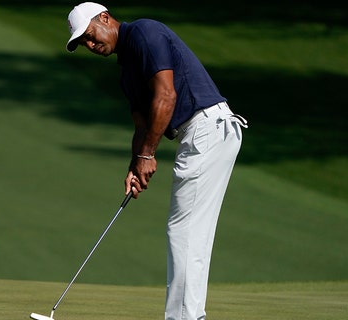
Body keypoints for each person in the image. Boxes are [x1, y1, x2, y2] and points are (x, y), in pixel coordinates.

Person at [65, 2, 247, 320]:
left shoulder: (144, 33)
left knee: (184, 230)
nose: (91, 46)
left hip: (206, 126)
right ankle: (190, 315)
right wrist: (136, 165)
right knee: (192, 231)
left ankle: (184, 317)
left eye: (91, 35)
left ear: (105, 18)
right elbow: (142, 126)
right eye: (84, 44)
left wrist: (148, 154)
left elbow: (167, 96)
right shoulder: (127, 74)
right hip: (203, 133)